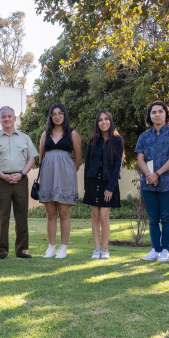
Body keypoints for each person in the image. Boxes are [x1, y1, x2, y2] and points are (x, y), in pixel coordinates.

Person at [0, 105, 38, 259]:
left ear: (15, 118)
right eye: (3, 116)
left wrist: (21, 174)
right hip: (2, 181)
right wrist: (2, 175)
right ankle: (1, 251)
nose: (7, 119)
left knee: (22, 216)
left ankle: (22, 250)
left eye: (9, 116)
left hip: (20, 180)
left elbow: (32, 157)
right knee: (2, 217)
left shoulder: (24, 137)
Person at [135, 101, 169, 262]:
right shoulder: (144, 136)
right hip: (148, 183)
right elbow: (140, 158)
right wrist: (149, 175)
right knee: (153, 218)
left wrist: (157, 173)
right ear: (149, 116)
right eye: (153, 112)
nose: (157, 114)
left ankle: (165, 251)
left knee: (166, 218)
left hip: (167, 182)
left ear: (166, 114)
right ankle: (155, 250)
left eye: (160, 111)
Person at [38, 103, 82, 259]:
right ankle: (51, 247)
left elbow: (77, 159)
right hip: (48, 176)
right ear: (51, 116)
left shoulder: (72, 134)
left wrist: (68, 173)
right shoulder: (45, 134)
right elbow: (40, 157)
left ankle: (63, 248)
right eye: (54, 114)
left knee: (64, 213)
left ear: (64, 115)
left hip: (65, 177)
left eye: (60, 113)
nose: (57, 116)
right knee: (50, 214)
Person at [83, 110, 124, 260]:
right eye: (100, 120)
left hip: (109, 183)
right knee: (95, 216)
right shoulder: (92, 141)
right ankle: (96, 249)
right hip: (93, 182)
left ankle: (105, 249)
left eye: (106, 119)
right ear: (97, 123)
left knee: (104, 216)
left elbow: (118, 165)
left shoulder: (117, 141)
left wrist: (110, 188)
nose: (103, 122)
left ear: (110, 121)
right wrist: (87, 187)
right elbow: (87, 165)